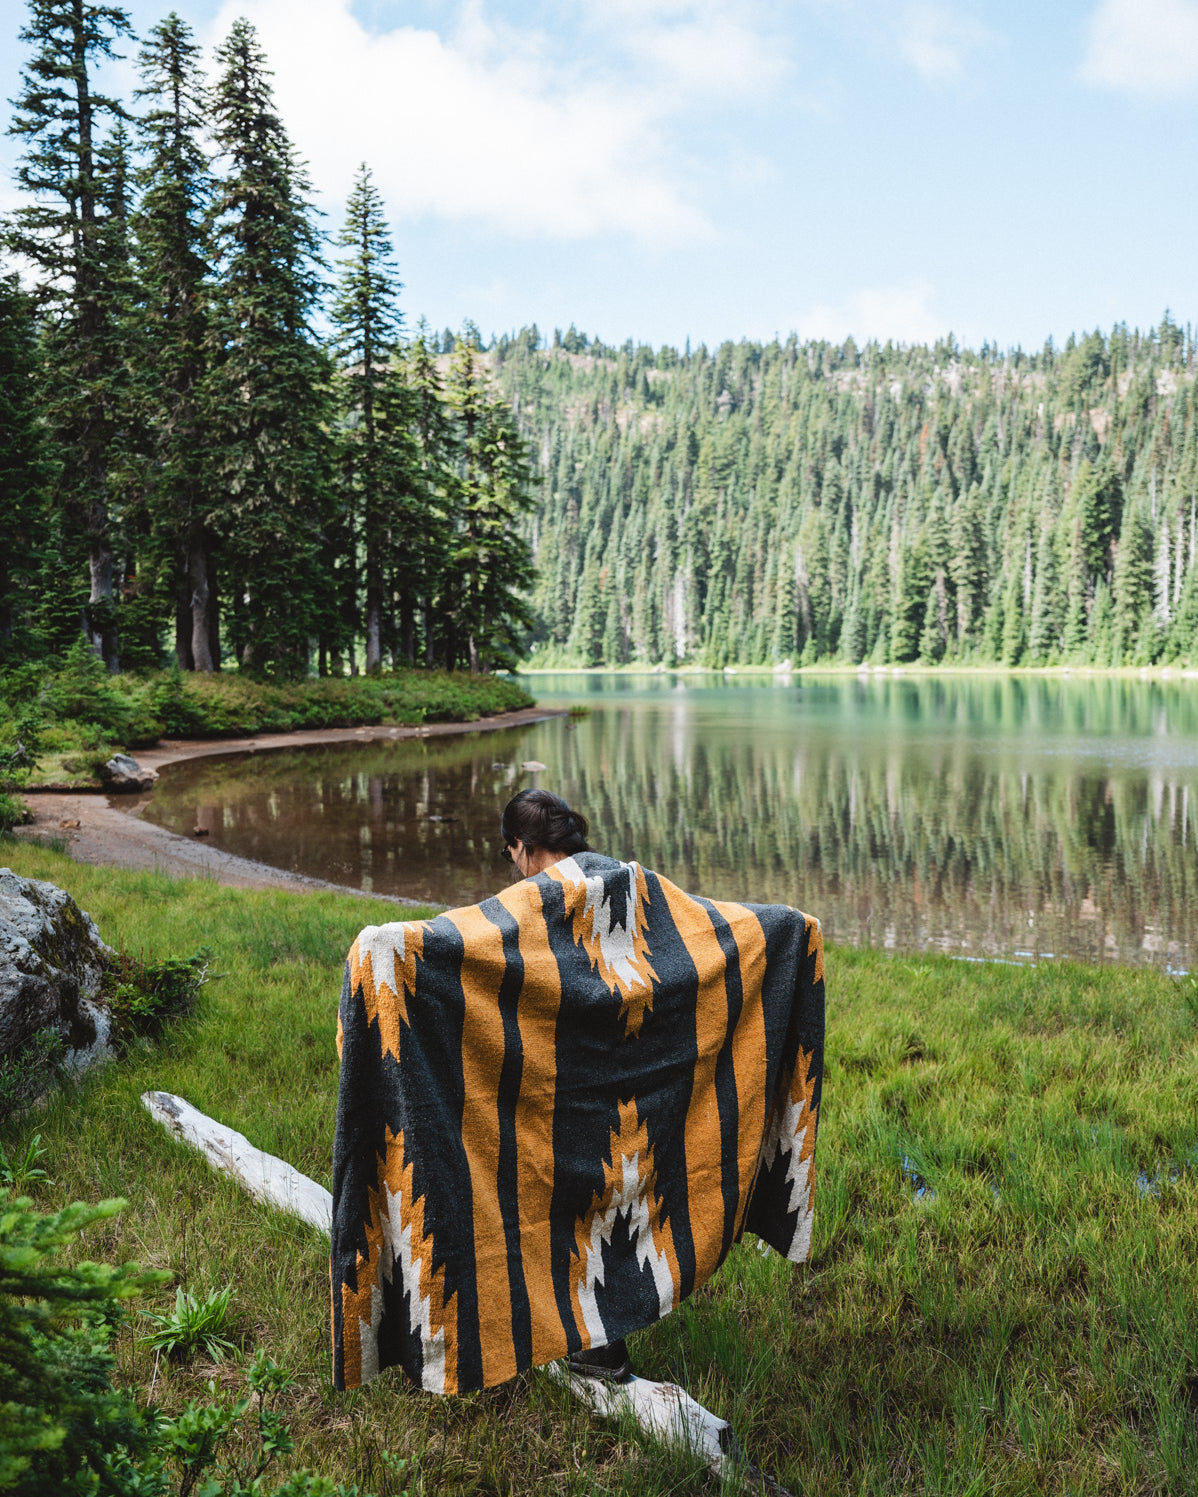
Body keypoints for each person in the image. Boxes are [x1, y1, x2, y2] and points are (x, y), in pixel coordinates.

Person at [498, 788, 635, 1384]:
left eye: (512, 855)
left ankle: (590, 1345)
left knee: (560, 1196)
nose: (515, 867)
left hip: (564, 1081)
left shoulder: (529, 899)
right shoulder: (623, 876)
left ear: (524, 848)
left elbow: (469, 952)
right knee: (606, 1197)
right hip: (627, 1074)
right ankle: (601, 1334)